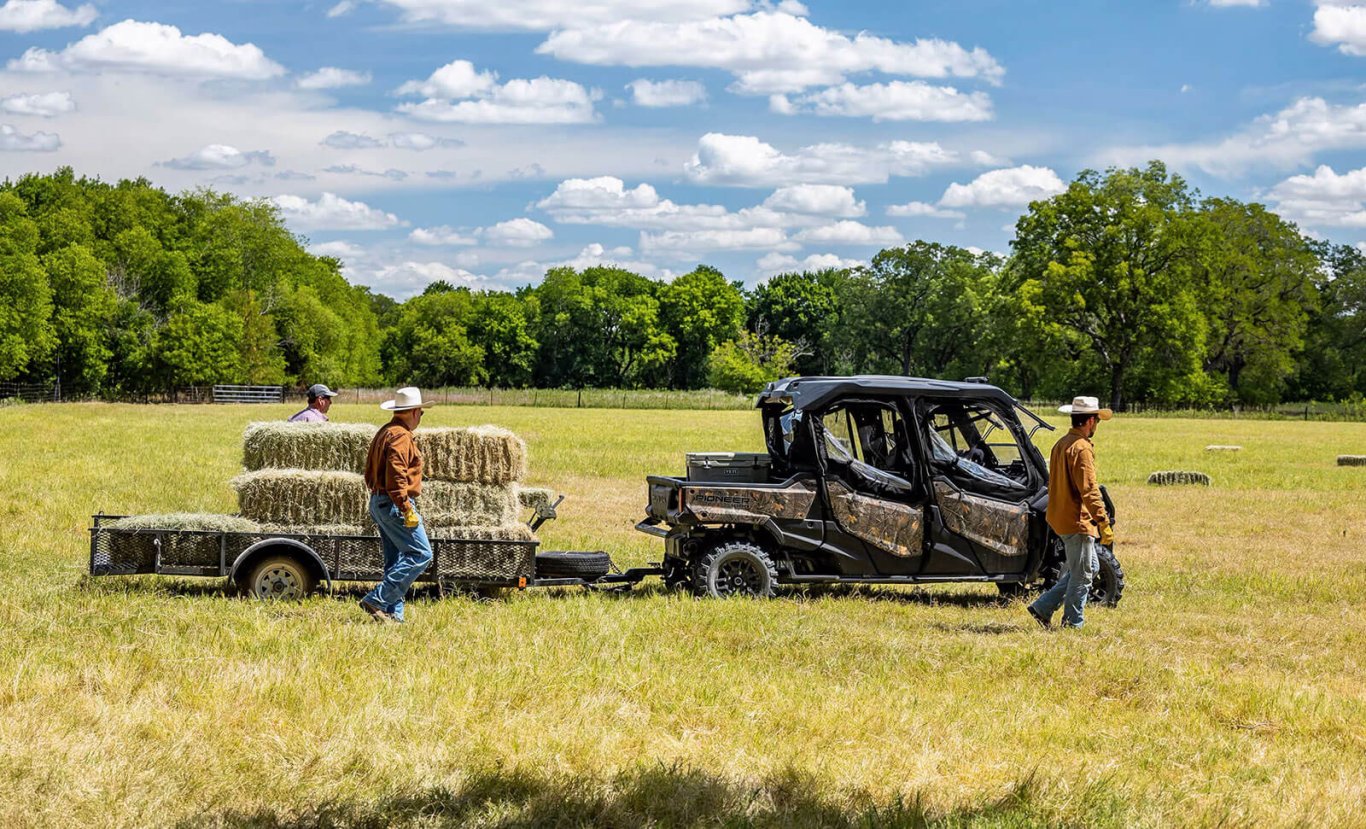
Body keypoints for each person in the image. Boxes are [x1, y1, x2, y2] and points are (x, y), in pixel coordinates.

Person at [1027, 395, 1115, 630]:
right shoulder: (1082, 448)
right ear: (1089, 421)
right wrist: (1103, 522)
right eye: (1096, 420)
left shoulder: (1061, 443)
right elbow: (1089, 490)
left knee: (1089, 567)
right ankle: (1072, 624)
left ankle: (1043, 607)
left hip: (1060, 517)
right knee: (1084, 575)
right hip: (1077, 520)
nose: (1097, 425)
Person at [358, 387, 434, 624]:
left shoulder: (385, 431)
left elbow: (371, 472)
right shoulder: (401, 435)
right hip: (394, 503)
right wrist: (405, 507)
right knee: (421, 554)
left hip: (379, 501)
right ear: (412, 412)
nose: (420, 417)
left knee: (395, 560)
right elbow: (396, 476)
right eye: (420, 412)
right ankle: (377, 600)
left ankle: (394, 615)